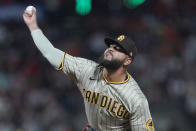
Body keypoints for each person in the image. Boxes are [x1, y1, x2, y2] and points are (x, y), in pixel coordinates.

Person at [23, 6, 155, 131]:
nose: (110, 49)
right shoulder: (86, 70)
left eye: (118, 49)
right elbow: (50, 53)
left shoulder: (136, 99)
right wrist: (33, 26)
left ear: (127, 61)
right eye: (111, 46)